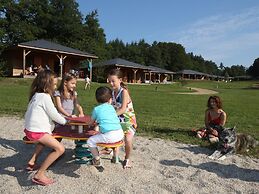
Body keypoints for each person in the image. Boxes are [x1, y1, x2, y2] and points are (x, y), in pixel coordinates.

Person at [24, 69, 67, 186]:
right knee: (60, 149)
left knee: (46, 139)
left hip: (30, 129)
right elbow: (54, 114)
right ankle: (39, 174)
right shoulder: (45, 97)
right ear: (46, 84)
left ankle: (32, 162)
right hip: (36, 131)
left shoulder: (36, 95)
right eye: (53, 84)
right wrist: (65, 120)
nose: (55, 87)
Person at [107, 69, 137, 169]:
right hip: (118, 120)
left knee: (128, 139)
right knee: (111, 134)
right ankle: (112, 152)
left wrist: (111, 116)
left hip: (128, 121)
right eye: (109, 81)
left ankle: (127, 159)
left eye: (113, 81)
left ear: (120, 80)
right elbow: (109, 107)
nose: (111, 83)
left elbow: (123, 109)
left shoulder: (124, 92)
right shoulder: (111, 93)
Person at [87, 86, 124, 166]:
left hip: (110, 135)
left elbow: (90, 123)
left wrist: (89, 123)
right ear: (110, 99)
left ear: (97, 99)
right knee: (103, 134)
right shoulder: (112, 108)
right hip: (120, 133)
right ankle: (115, 157)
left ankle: (96, 159)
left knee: (90, 141)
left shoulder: (96, 109)